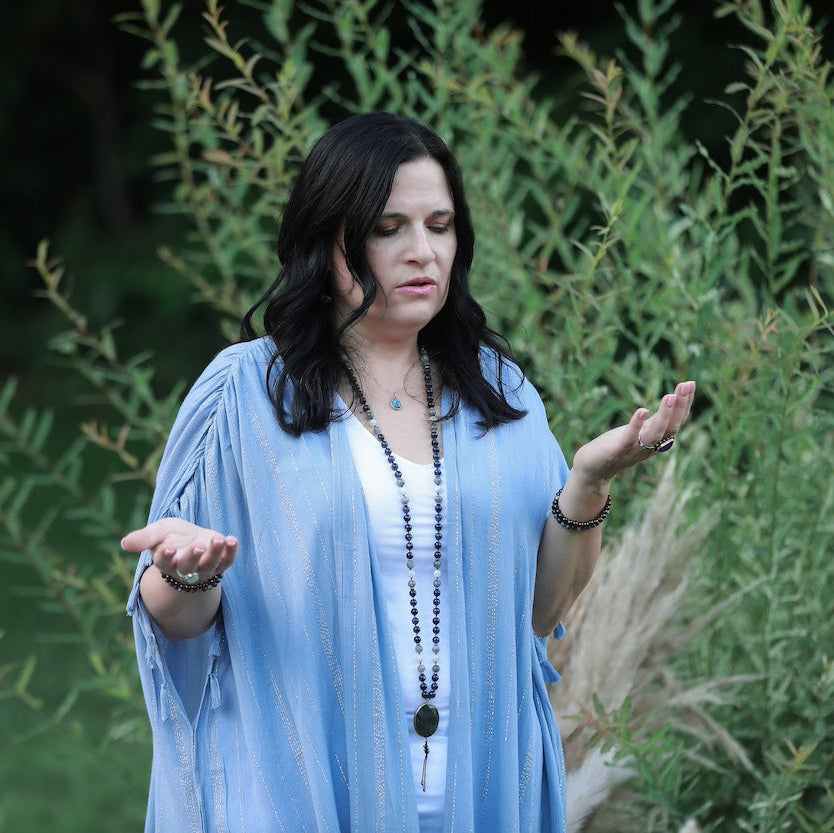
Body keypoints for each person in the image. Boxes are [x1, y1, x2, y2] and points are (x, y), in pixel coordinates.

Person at [122, 112, 694, 833]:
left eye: (441, 225)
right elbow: (175, 622)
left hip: (475, 795)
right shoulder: (244, 395)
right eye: (389, 228)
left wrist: (588, 481)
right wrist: (187, 574)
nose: (423, 251)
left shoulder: (501, 394)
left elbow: (542, 613)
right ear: (327, 240)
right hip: (302, 798)